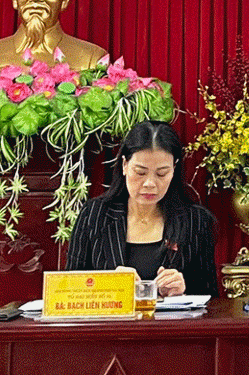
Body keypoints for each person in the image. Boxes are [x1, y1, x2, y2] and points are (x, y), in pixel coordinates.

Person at [66, 120, 218, 296]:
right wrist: (108, 285)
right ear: (124, 165)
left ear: (174, 169)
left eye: (161, 173)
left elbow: (211, 298)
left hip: (173, 315)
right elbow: (68, 289)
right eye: (140, 172)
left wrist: (183, 291)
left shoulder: (195, 221)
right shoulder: (94, 214)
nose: (150, 183)